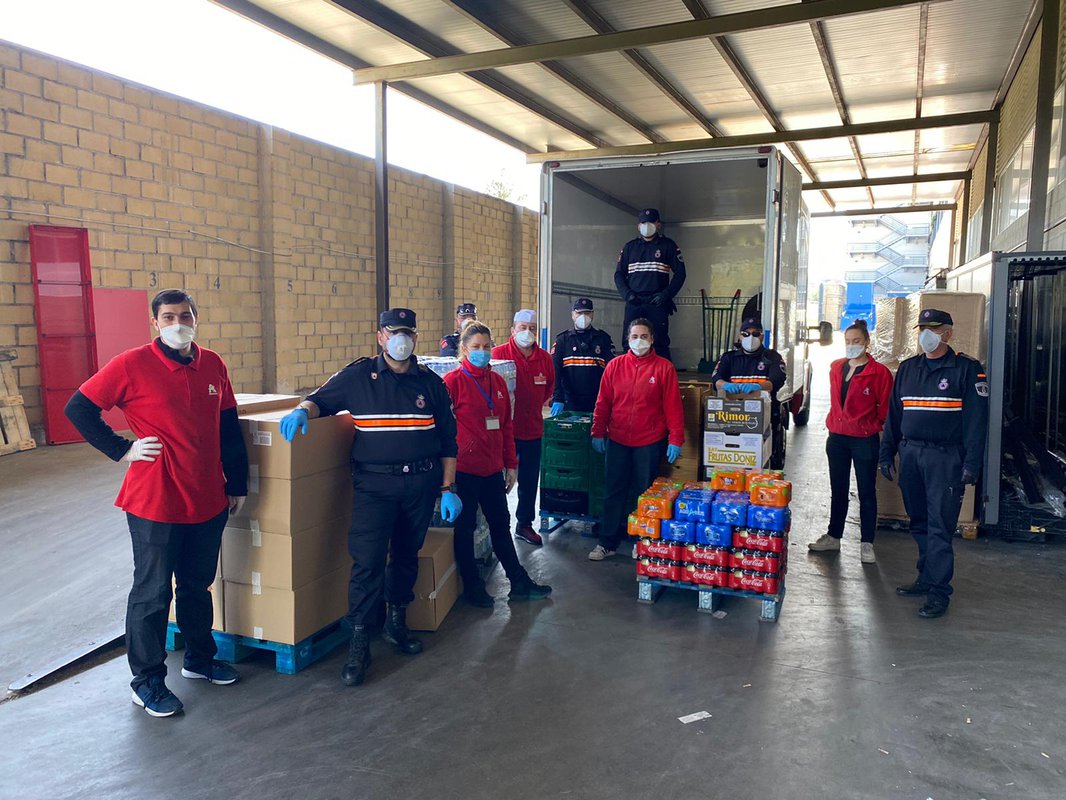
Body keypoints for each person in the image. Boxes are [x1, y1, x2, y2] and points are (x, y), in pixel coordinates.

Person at [63, 289, 247, 718]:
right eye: (168, 317)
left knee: (197, 586)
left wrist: (236, 484)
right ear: (156, 323)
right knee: (152, 592)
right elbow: (79, 407)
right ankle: (146, 681)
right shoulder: (132, 364)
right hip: (155, 500)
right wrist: (121, 449)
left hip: (207, 496)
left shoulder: (213, 364)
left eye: (185, 315)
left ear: (196, 318)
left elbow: (228, 428)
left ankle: (200, 660)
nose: (177, 323)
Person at [279, 308, 462, 686]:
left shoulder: (430, 383)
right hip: (374, 488)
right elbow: (320, 399)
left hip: (421, 484)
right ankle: (360, 639)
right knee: (367, 561)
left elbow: (448, 441)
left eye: (408, 332)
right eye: (395, 332)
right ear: (380, 336)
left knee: (407, 555)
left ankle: (397, 623)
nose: (402, 339)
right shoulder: (358, 375)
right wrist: (301, 410)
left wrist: (447, 488)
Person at [879, 309, 988, 619]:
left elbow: (976, 423)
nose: (926, 333)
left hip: (946, 458)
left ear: (948, 334)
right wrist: (886, 453)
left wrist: (972, 464)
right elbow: (894, 417)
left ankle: (939, 591)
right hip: (911, 454)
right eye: (922, 328)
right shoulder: (908, 369)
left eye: (933, 328)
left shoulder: (966, 370)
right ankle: (926, 577)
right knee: (920, 521)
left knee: (940, 525)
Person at [443, 322, 553, 606]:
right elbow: (442, 432)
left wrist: (511, 464)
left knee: (500, 525)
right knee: (465, 529)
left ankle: (518, 581)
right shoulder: (453, 383)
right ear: (464, 350)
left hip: (493, 469)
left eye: (486, 346)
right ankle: (472, 586)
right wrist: (446, 481)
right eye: (476, 347)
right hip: (465, 470)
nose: (483, 352)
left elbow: (506, 426)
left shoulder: (498, 383)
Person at [588, 319, 685, 561]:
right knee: (613, 490)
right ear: (627, 339)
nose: (638, 340)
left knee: (644, 493)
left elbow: (673, 407)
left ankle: (642, 541)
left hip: (649, 440)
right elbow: (603, 403)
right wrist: (597, 431)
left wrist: (676, 438)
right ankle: (607, 542)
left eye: (643, 336)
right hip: (618, 438)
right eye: (634, 336)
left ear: (652, 339)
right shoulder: (614, 366)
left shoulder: (664, 368)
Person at [809, 320, 893, 563]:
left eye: (857, 341)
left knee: (866, 491)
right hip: (837, 438)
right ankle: (834, 536)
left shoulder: (879, 373)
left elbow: (885, 409)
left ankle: (867, 542)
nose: (852, 346)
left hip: (864, 439)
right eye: (847, 342)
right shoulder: (837, 367)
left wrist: (870, 426)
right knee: (839, 489)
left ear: (867, 342)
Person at [492, 309, 555, 547]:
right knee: (498, 481)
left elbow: (548, 389)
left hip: (531, 430)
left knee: (528, 482)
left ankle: (525, 524)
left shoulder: (544, 359)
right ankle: (496, 526)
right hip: (502, 433)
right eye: (522, 328)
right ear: (512, 330)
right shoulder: (499, 356)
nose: (527, 333)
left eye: (532, 328)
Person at [710, 316, 788, 469]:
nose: (750, 337)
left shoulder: (772, 357)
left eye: (755, 333)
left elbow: (778, 378)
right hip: (732, 418)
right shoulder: (729, 358)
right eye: (746, 333)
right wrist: (725, 385)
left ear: (762, 336)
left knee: (764, 459)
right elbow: (716, 378)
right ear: (740, 336)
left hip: (763, 418)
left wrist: (758, 387)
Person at [614, 208, 686, 360]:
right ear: (638, 226)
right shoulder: (629, 247)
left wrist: (666, 295)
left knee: (659, 341)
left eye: (651, 222)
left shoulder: (668, 246)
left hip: (657, 302)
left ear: (658, 224)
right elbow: (619, 274)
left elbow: (680, 273)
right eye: (643, 222)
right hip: (634, 301)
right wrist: (627, 295)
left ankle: (662, 377)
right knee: (629, 341)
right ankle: (629, 376)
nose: (647, 226)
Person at [550, 297, 615, 415]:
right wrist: (557, 398)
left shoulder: (603, 339)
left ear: (592, 315)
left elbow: (612, 371)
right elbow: (555, 372)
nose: (583, 316)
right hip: (569, 402)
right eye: (579, 313)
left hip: (597, 402)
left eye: (587, 312)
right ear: (573, 315)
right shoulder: (563, 341)